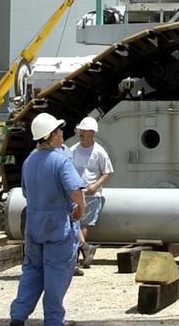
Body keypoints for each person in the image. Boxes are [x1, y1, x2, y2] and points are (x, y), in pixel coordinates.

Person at [8, 112, 85, 326]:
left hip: (34, 227)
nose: (62, 133)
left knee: (32, 271)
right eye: (59, 130)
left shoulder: (29, 161)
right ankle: (53, 321)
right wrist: (81, 209)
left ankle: (18, 316)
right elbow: (76, 191)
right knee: (56, 275)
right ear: (51, 136)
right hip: (57, 228)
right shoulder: (61, 161)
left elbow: (25, 193)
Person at [69, 115, 114, 271]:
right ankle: (84, 248)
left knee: (81, 225)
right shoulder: (73, 150)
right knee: (75, 223)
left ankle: (76, 256)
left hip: (91, 195)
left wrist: (95, 187)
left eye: (85, 131)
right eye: (81, 130)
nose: (81, 133)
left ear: (92, 133)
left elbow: (107, 172)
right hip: (75, 194)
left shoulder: (99, 152)